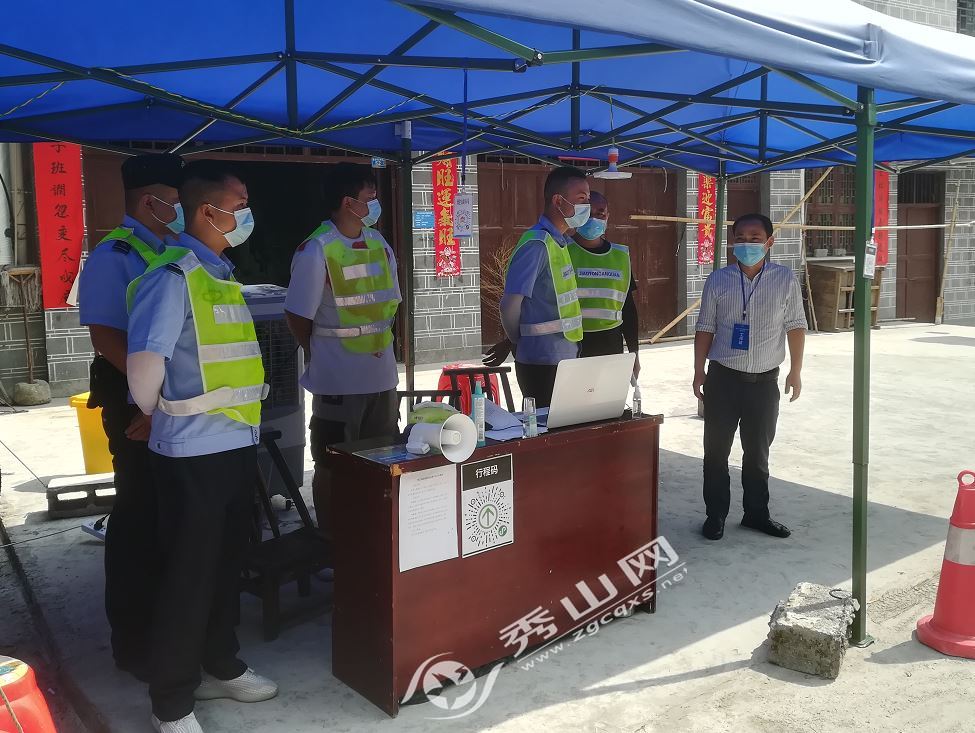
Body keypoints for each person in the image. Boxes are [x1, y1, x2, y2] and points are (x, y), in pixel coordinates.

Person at [126, 160, 277, 733]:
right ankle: (171, 702)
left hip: (234, 444)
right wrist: (154, 413)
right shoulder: (172, 276)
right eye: (239, 206)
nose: (246, 216)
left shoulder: (220, 275)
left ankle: (221, 663)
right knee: (187, 579)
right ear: (207, 211)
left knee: (225, 565)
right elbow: (145, 367)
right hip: (191, 452)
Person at [77, 152, 184, 681]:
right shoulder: (114, 254)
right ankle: (134, 642)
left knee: (168, 514)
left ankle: (168, 626)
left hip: (170, 398)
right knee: (139, 515)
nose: (181, 210)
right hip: (134, 398)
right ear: (150, 202)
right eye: (176, 202)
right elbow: (106, 335)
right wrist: (151, 401)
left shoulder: (171, 251)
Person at [284, 162, 401, 536]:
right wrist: (317, 351)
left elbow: (389, 305)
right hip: (338, 379)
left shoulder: (379, 243)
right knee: (334, 462)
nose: (376, 203)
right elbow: (297, 315)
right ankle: (333, 541)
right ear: (348, 202)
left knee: (383, 460)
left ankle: (372, 537)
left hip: (381, 376)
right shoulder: (317, 249)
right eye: (370, 197)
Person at [693, 213, 807, 541]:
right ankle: (715, 515)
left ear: (769, 242)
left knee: (757, 455)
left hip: (764, 383)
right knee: (716, 453)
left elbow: (796, 325)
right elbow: (705, 327)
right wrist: (698, 370)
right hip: (723, 380)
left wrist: (796, 371)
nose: (747, 244)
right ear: (732, 243)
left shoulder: (785, 279)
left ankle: (756, 514)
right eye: (740, 238)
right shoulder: (718, 280)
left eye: (755, 238)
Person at [484, 190, 641, 374]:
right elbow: (532, 303)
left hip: (610, 347)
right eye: (588, 213)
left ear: (608, 216)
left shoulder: (620, 256)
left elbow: (628, 309)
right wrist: (513, 340)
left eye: (600, 213)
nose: (593, 219)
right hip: (568, 347)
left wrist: (634, 353)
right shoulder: (559, 249)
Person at [497, 166, 589, 408]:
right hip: (542, 362)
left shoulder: (558, 242)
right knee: (545, 427)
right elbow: (509, 305)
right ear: (558, 201)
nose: (586, 207)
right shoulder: (536, 244)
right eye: (581, 199)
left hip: (564, 357)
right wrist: (517, 341)